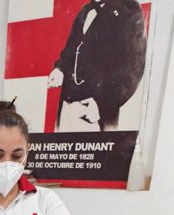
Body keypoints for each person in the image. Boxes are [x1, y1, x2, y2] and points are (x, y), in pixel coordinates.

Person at [47, 0, 147, 131]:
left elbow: (135, 66)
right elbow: (71, 49)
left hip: (97, 115)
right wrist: (60, 68)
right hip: (68, 107)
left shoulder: (129, 9)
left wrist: (102, 104)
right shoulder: (86, 10)